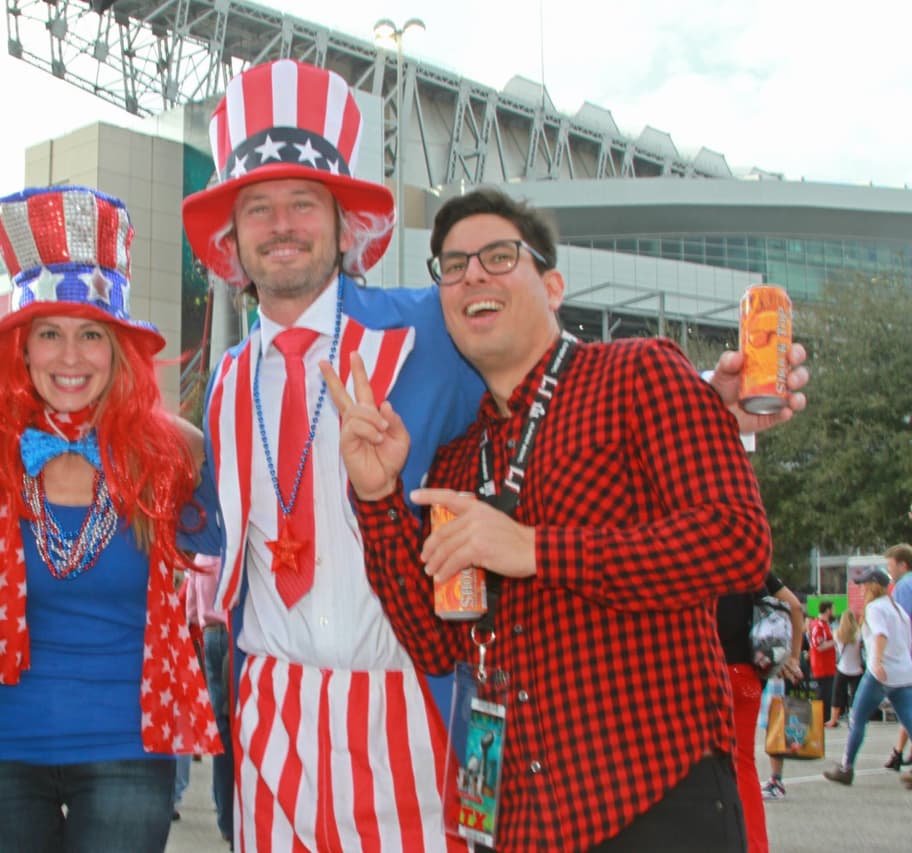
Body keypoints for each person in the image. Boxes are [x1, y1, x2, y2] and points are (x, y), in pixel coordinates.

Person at [183, 59, 806, 853]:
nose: (282, 224)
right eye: (258, 206)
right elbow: (214, 524)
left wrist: (711, 404)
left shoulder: (433, 322)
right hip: (282, 721)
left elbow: (542, 355)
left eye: (305, 202)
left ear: (347, 226)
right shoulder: (227, 378)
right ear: (230, 238)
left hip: (422, 720)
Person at [325, 187, 772, 852]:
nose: (472, 273)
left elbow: (736, 540)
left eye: (499, 256)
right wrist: (379, 494)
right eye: (452, 265)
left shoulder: (639, 372)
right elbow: (435, 639)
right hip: (513, 815)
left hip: (651, 799)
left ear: (552, 285)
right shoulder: (457, 460)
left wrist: (537, 549)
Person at [0, 185, 220, 852]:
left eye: (90, 335)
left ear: (118, 349)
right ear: (23, 349)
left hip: (128, 750)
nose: (70, 357)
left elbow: (260, 529)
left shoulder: (174, 451)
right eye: (50, 334)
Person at [717, 572, 797, 852]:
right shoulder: (750, 566)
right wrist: (794, 658)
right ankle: (756, 845)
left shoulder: (699, 564)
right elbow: (794, 606)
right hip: (747, 676)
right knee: (744, 763)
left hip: (712, 673)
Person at [823, 564, 912, 786]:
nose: (861, 588)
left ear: (873, 586)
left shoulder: (874, 609)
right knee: (909, 720)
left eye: (863, 584)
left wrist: (877, 661)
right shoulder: (899, 610)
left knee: (857, 718)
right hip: (903, 673)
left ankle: (846, 767)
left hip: (880, 673)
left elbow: (880, 635)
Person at [187, 554, 234, 848]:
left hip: (209, 635)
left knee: (221, 733)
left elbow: (190, 609)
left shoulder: (199, 559)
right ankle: (235, 814)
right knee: (238, 726)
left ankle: (224, 813)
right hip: (232, 635)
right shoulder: (229, 554)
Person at [758, 584, 804, 802]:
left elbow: (795, 606)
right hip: (770, 656)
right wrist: (793, 656)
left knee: (773, 721)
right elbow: (795, 606)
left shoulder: (754, 576)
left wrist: (794, 657)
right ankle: (776, 779)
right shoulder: (762, 575)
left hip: (750, 657)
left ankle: (775, 780)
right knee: (774, 720)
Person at [882, 543, 912, 769]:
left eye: (890, 565)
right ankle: (898, 752)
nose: (888, 571)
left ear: (903, 565)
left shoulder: (902, 586)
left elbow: (902, 621)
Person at [826, 608, 863, 727]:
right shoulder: (859, 634)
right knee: (855, 695)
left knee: (836, 694)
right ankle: (854, 719)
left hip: (842, 668)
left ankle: (833, 720)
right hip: (856, 669)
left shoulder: (837, 633)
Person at [809, 600, 838, 729]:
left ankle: (826, 718)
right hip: (821, 666)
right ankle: (820, 718)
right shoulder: (818, 626)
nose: (833, 612)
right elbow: (819, 646)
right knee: (822, 693)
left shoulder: (826, 625)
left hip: (829, 666)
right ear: (827, 610)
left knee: (827, 693)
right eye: (832, 609)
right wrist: (835, 641)